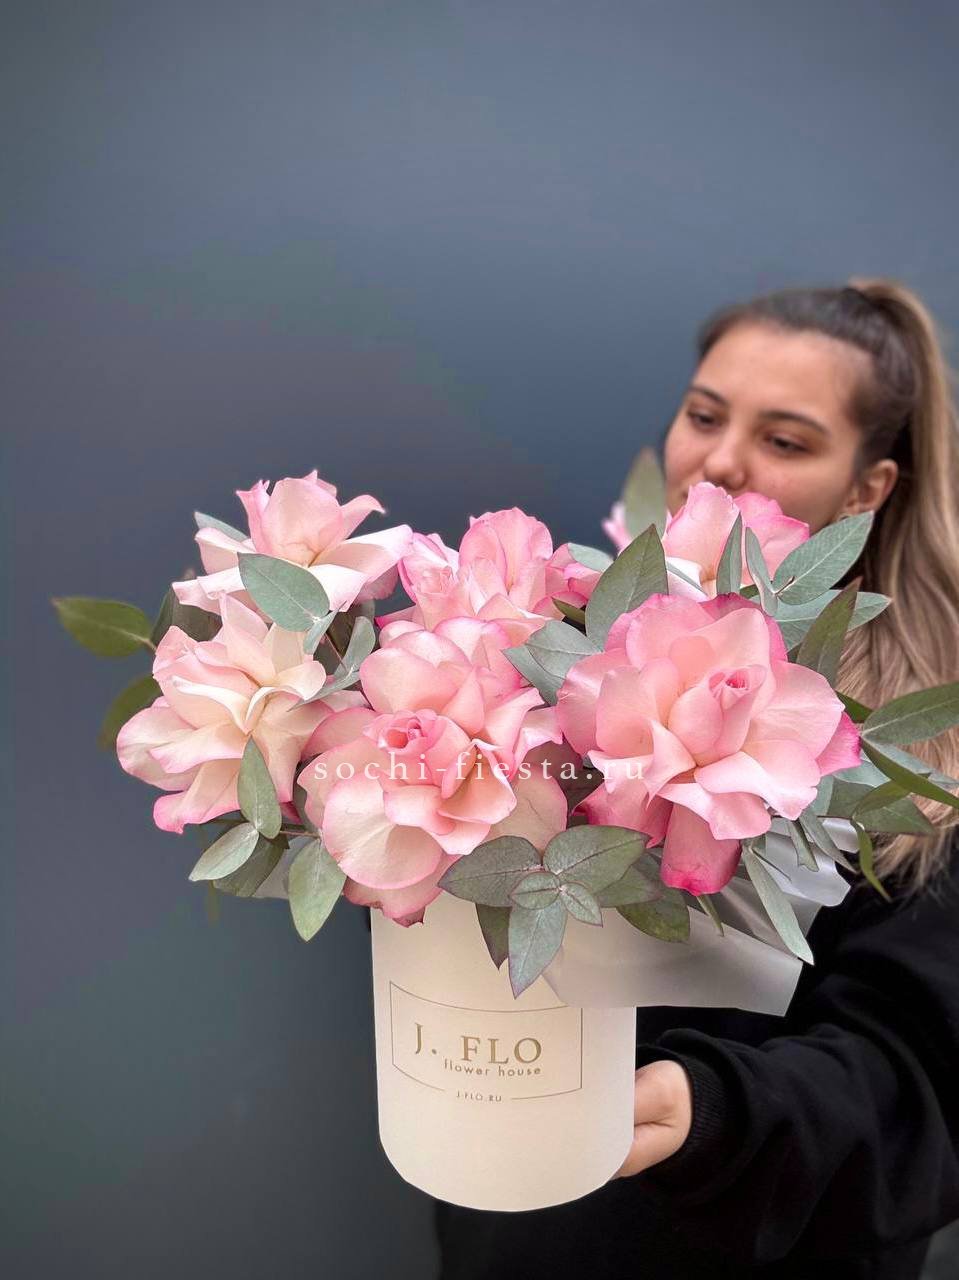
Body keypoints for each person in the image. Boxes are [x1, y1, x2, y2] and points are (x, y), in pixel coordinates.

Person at [433, 279, 959, 1279]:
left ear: (866, 488)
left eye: (784, 439)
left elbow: (917, 1086)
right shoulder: (561, 647)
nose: (719, 460)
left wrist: (713, 1111)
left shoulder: (925, 758)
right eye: (704, 416)